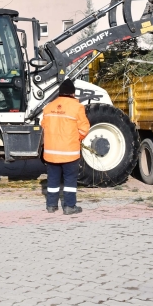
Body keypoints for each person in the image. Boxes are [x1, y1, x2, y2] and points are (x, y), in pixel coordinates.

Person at [41, 79, 90, 215]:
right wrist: (77, 139)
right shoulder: (77, 107)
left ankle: (51, 206)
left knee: (53, 180)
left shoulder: (48, 107)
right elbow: (84, 129)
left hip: (51, 153)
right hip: (69, 152)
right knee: (69, 180)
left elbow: (44, 125)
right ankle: (69, 207)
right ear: (73, 94)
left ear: (60, 93)